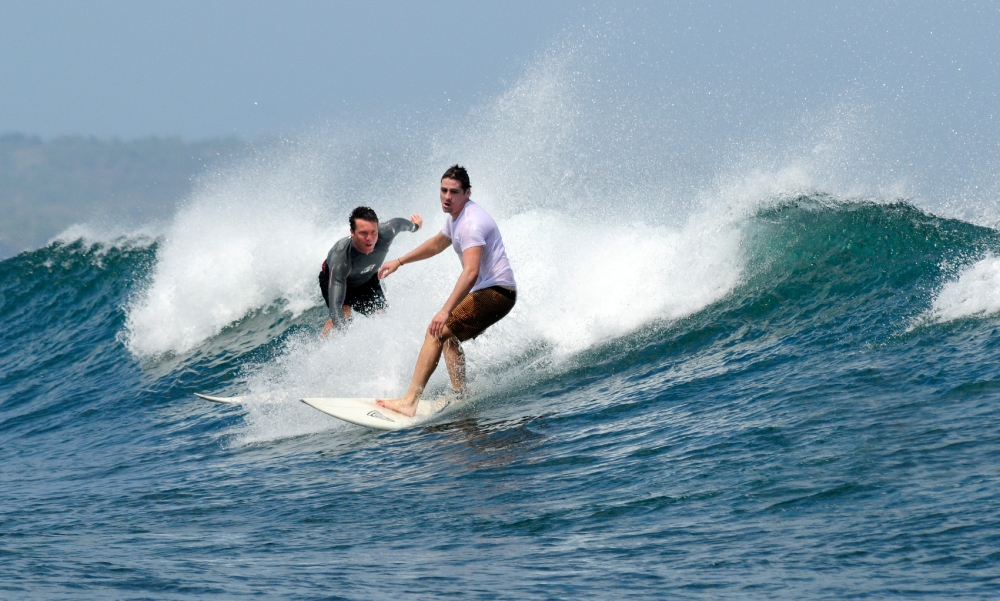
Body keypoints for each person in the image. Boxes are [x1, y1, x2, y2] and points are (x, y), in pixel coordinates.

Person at [376, 165, 517, 417]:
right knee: (449, 337)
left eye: (454, 192)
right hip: (496, 292)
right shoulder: (457, 218)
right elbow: (437, 243)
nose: (447, 197)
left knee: (436, 332)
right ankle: (461, 393)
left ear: (467, 193)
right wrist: (399, 261)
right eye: (443, 190)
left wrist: (445, 310)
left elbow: (471, 272)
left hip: (496, 293)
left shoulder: (471, 223)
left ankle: (409, 403)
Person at [320, 206, 422, 336]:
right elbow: (336, 308)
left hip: (367, 280)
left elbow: (400, 224)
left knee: (382, 318)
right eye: (363, 233)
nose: (370, 238)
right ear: (352, 231)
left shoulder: (386, 233)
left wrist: (416, 226)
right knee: (344, 313)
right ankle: (323, 347)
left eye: (373, 232)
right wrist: (345, 341)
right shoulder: (342, 259)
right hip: (339, 280)